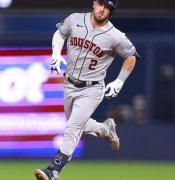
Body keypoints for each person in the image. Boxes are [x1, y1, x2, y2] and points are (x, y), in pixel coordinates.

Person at [35, 0, 139, 179]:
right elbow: (60, 34)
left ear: (111, 11)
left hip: (92, 89)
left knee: (73, 127)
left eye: (107, 7)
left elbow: (131, 56)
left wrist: (119, 81)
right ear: (94, 3)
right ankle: (106, 130)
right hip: (69, 84)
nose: (102, 9)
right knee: (77, 124)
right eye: (100, 4)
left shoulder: (115, 35)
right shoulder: (75, 19)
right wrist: (55, 53)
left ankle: (53, 170)